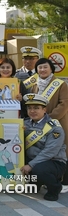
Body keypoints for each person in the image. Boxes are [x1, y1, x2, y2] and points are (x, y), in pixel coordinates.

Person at [30, 58, 68, 192]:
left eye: (45, 67)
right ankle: (47, 178)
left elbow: (64, 104)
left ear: (51, 68)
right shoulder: (35, 84)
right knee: (44, 149)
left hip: (57, 121)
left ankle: (64, 181)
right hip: (39, 124)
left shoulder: (60, 84)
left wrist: (48, 117)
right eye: (39, 68)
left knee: (60, 150)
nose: (42, 70)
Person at [21, 93, 67, 201]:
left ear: (44, 110)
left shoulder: (54, 128)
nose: (32, 111)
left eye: (36, 108)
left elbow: (49, 152)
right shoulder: (24, 124)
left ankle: (55, 188)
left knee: (40, 170)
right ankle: (37, 182)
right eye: (30, 108)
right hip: (34, 159)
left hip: (53, 162)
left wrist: (30, 165)